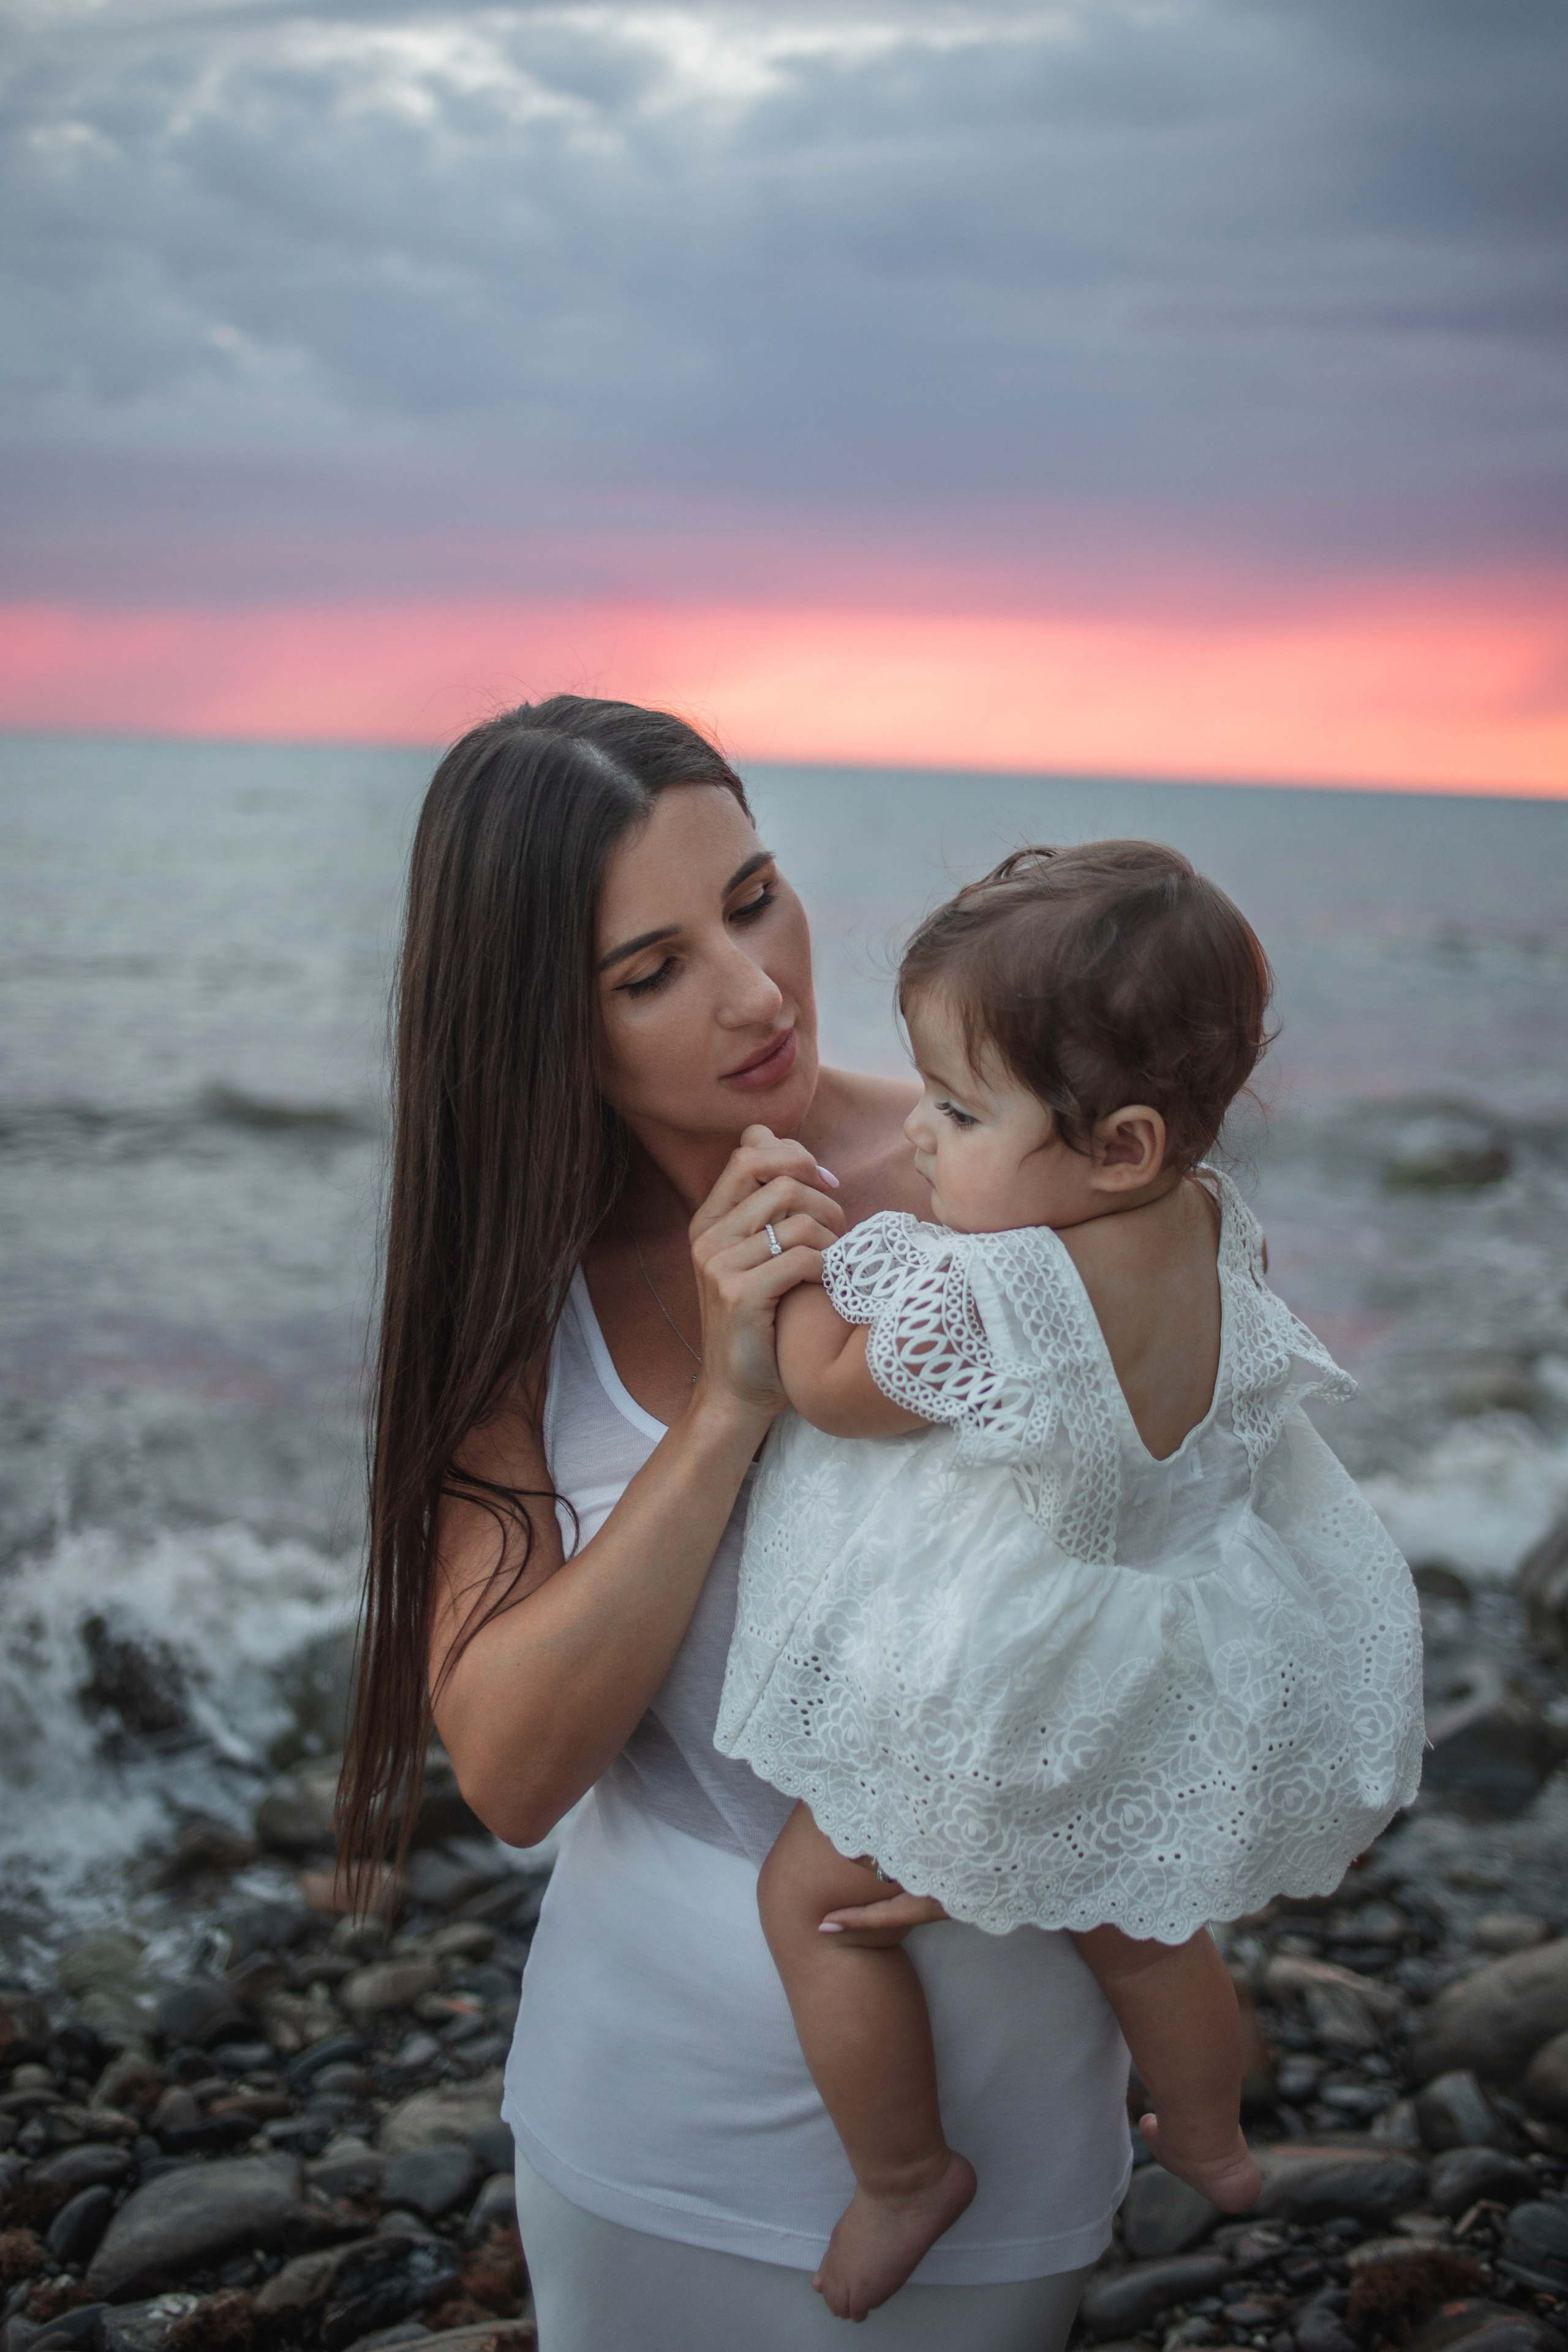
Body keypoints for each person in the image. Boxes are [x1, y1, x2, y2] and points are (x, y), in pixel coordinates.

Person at [338, 699, 1134, 2351]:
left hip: (1001, 2112)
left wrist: (1058, 1789)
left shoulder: (1009, 1177)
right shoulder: (513, 1300)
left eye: (755, 894)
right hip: (650, 2127)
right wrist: (729, 1404)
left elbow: (1211, 1560)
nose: (758, 990)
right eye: (653, 972)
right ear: (538, 1023)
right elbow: (511, 1770)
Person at [715, 843, 1427, 2321]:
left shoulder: (999, 1281)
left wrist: (785, 1288)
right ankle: (1215, 2138)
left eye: (960, 1110)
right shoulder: (1208, 1215)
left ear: (1116, 1146)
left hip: (1015, 1671)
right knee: (1144, 1923)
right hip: (1176, 1643)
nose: (914, 1133)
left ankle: (907, 2174)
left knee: (808, 1898)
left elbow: (839, 1397)